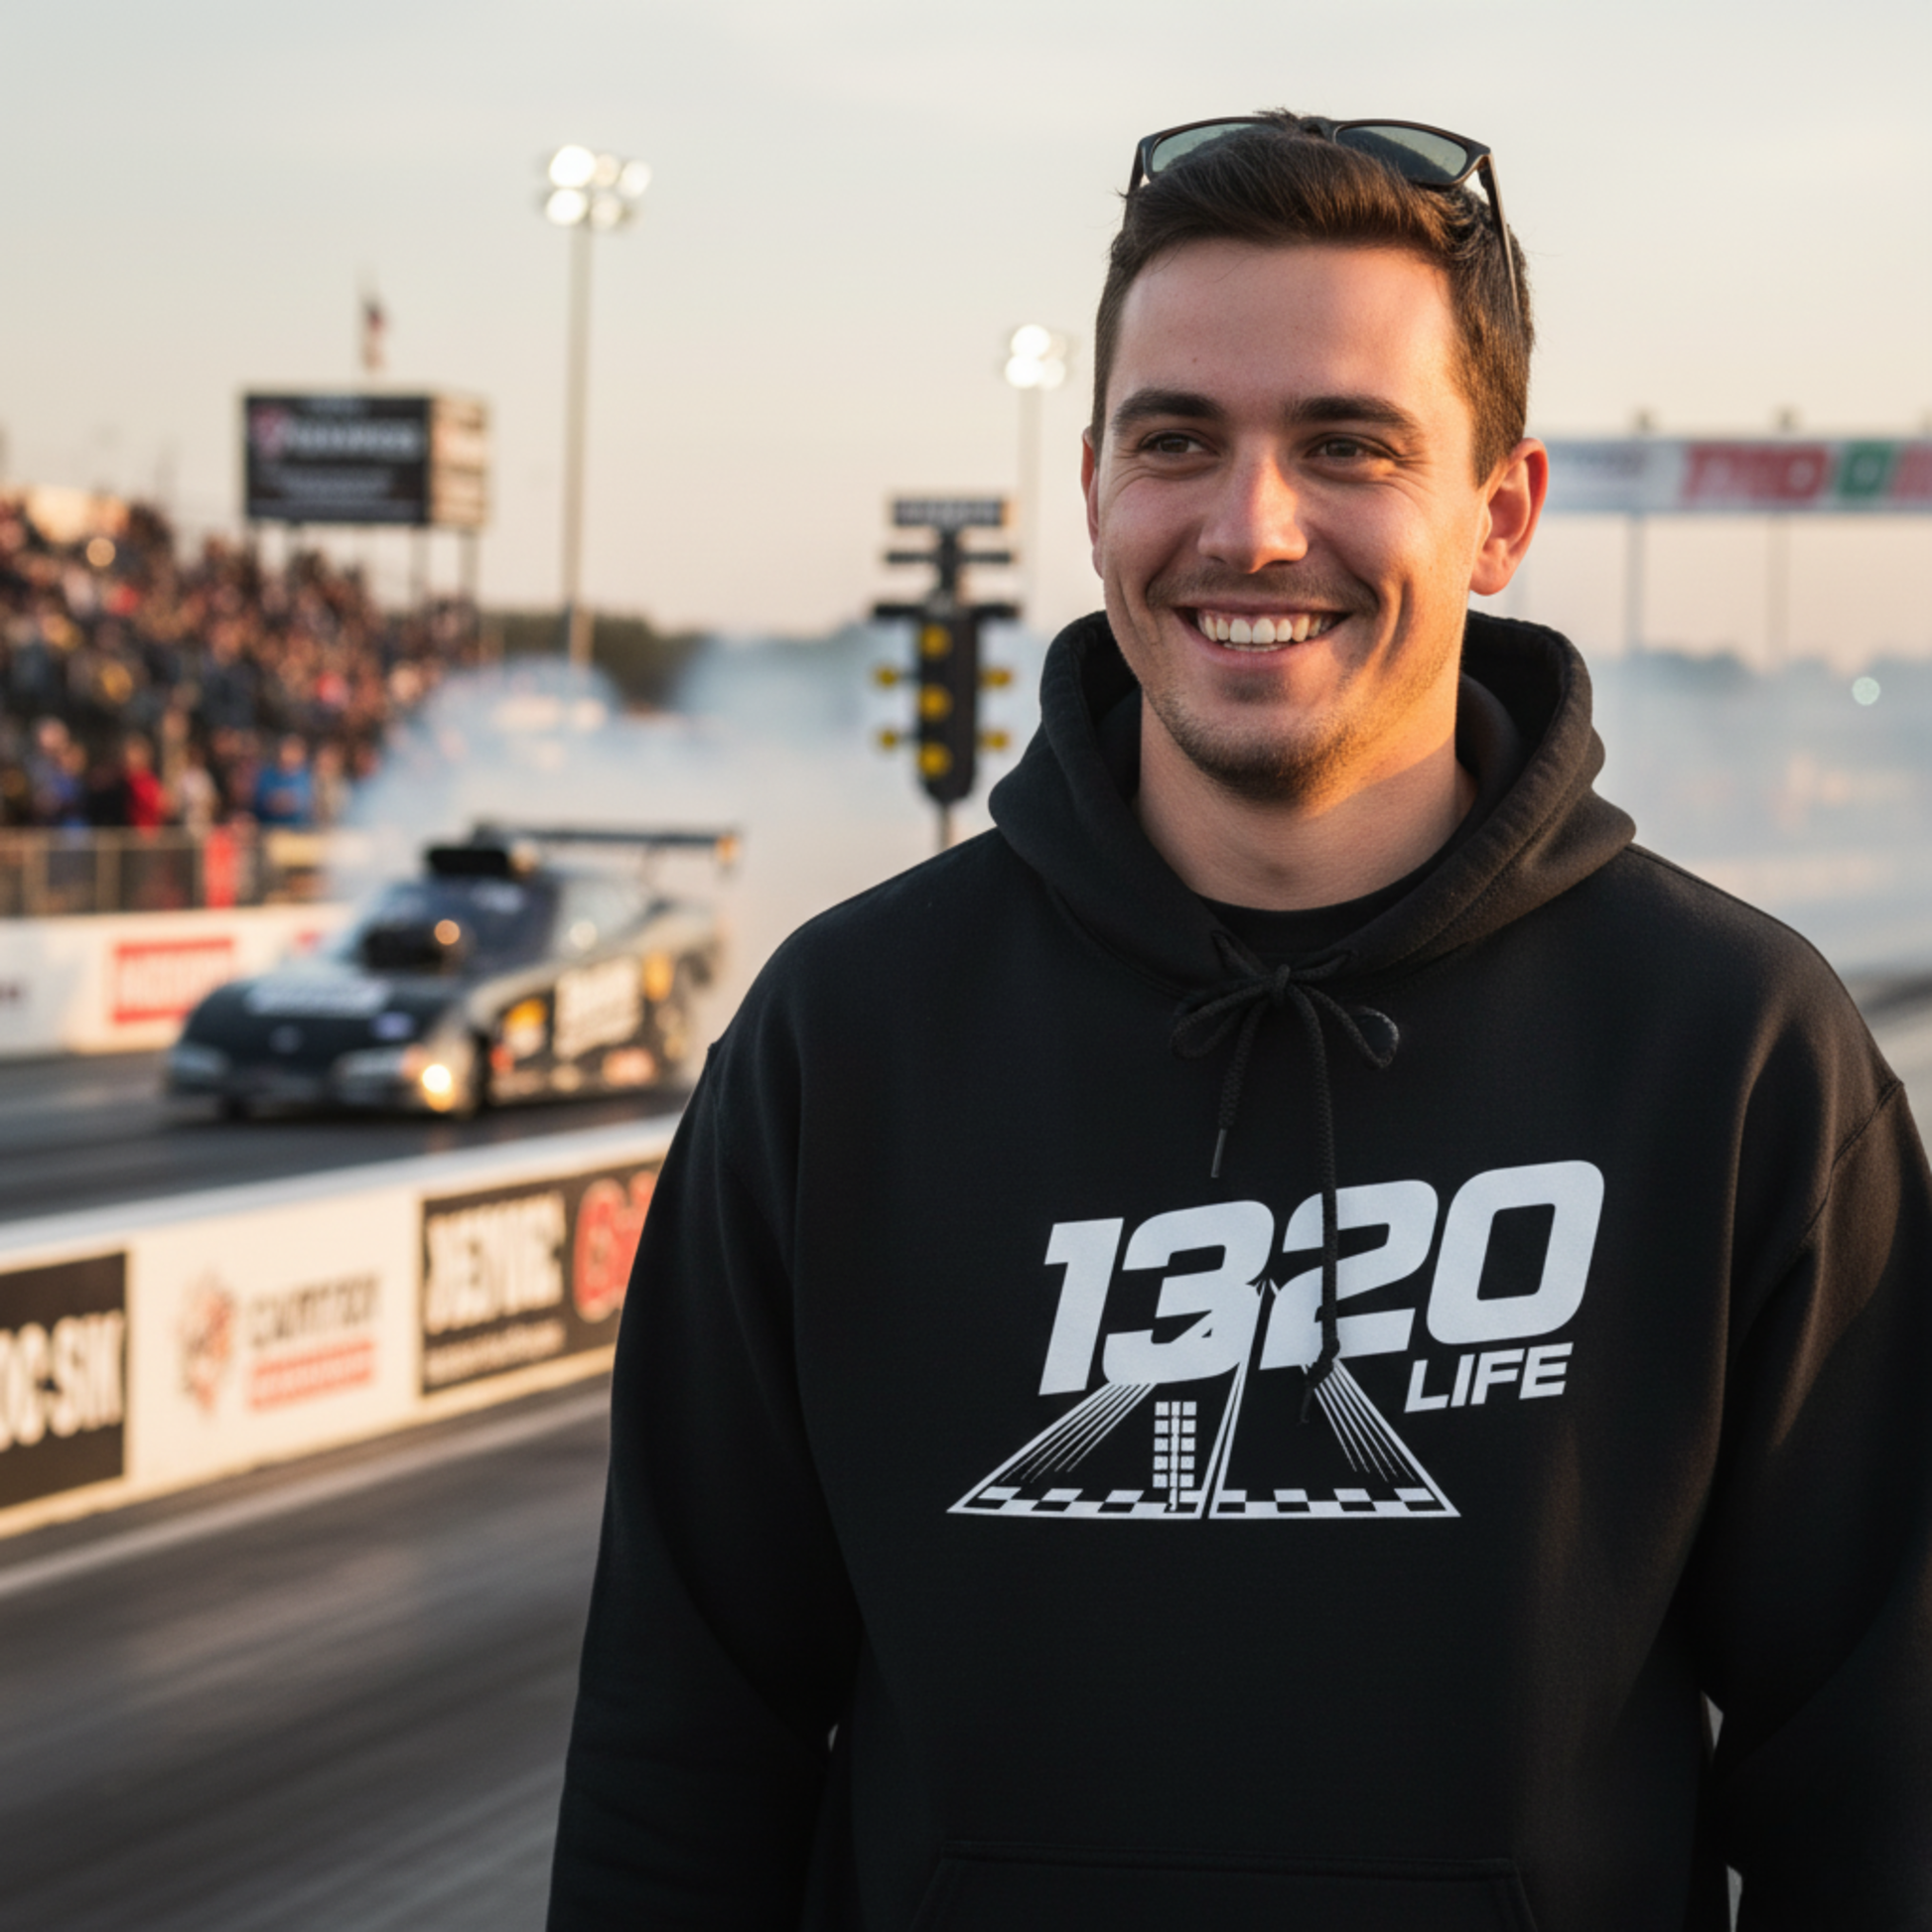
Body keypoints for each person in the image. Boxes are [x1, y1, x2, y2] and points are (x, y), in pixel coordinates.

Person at [548, 113, 1932, 1931]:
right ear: (1095, 489)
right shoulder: (843, 1035)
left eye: (1346, 444)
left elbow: (1881, 1793)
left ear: (1498, 514)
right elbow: (679, 1752)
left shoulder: (1735, 1047)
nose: (1249, 524)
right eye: (1177, 440)